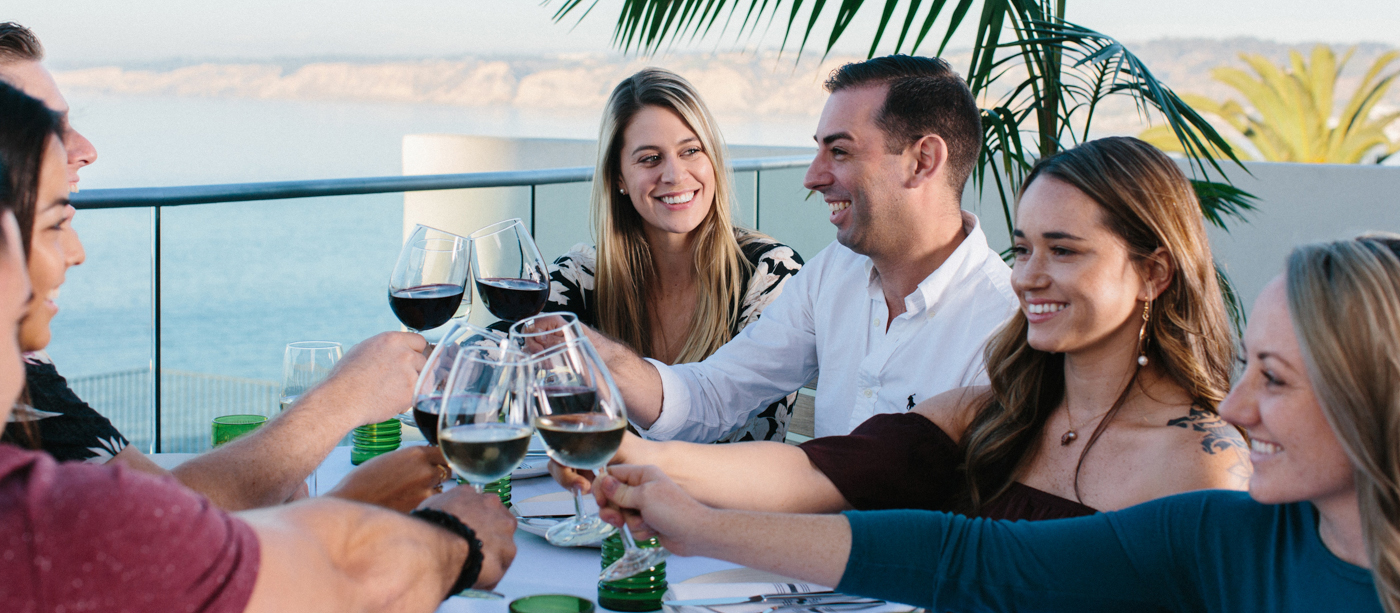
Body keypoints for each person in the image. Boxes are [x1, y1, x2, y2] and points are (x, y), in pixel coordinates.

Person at [592, 234, 1400, 612]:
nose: (1237, 404)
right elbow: (968, 559)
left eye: (1279, 378)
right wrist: (694, 524)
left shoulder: (1207, 469)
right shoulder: (1233, 536)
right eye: (1022, 246)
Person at [0, 79, 518, 612]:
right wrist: (455, 540)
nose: (76, 253)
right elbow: (169, 545)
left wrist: (340, 511)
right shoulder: (44, 524)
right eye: (52, 222)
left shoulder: (38, 427)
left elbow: (188, 549)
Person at [558, 137, 1249, 518]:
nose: (1028, 276)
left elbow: (962, 564)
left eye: (1063, 250)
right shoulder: (994, 407)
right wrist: (635, 458)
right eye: (1024, 248)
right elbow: (824, 469)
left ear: (1154, 273)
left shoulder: (1204, 461)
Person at [0, 22, 448, 512]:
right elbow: (164, 525)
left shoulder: (21, 361)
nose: (85, 149)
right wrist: (344, 407)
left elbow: (130, 500)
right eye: (45, 128)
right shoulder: (14, 373)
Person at [582, 55, 1019, 443]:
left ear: (923, 161)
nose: (812, 177)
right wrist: (601, 358)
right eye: (818, 151)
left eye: (840, 151)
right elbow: (714, 395)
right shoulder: (833, 273)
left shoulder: (1006, 331)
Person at [544, 68, 803, 442]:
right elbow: (508, 342)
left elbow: (753, 438)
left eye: (691, 151)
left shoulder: (769, 273)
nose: (675, 175)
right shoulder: (585, 277)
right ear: (618, 177)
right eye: (650, 158)